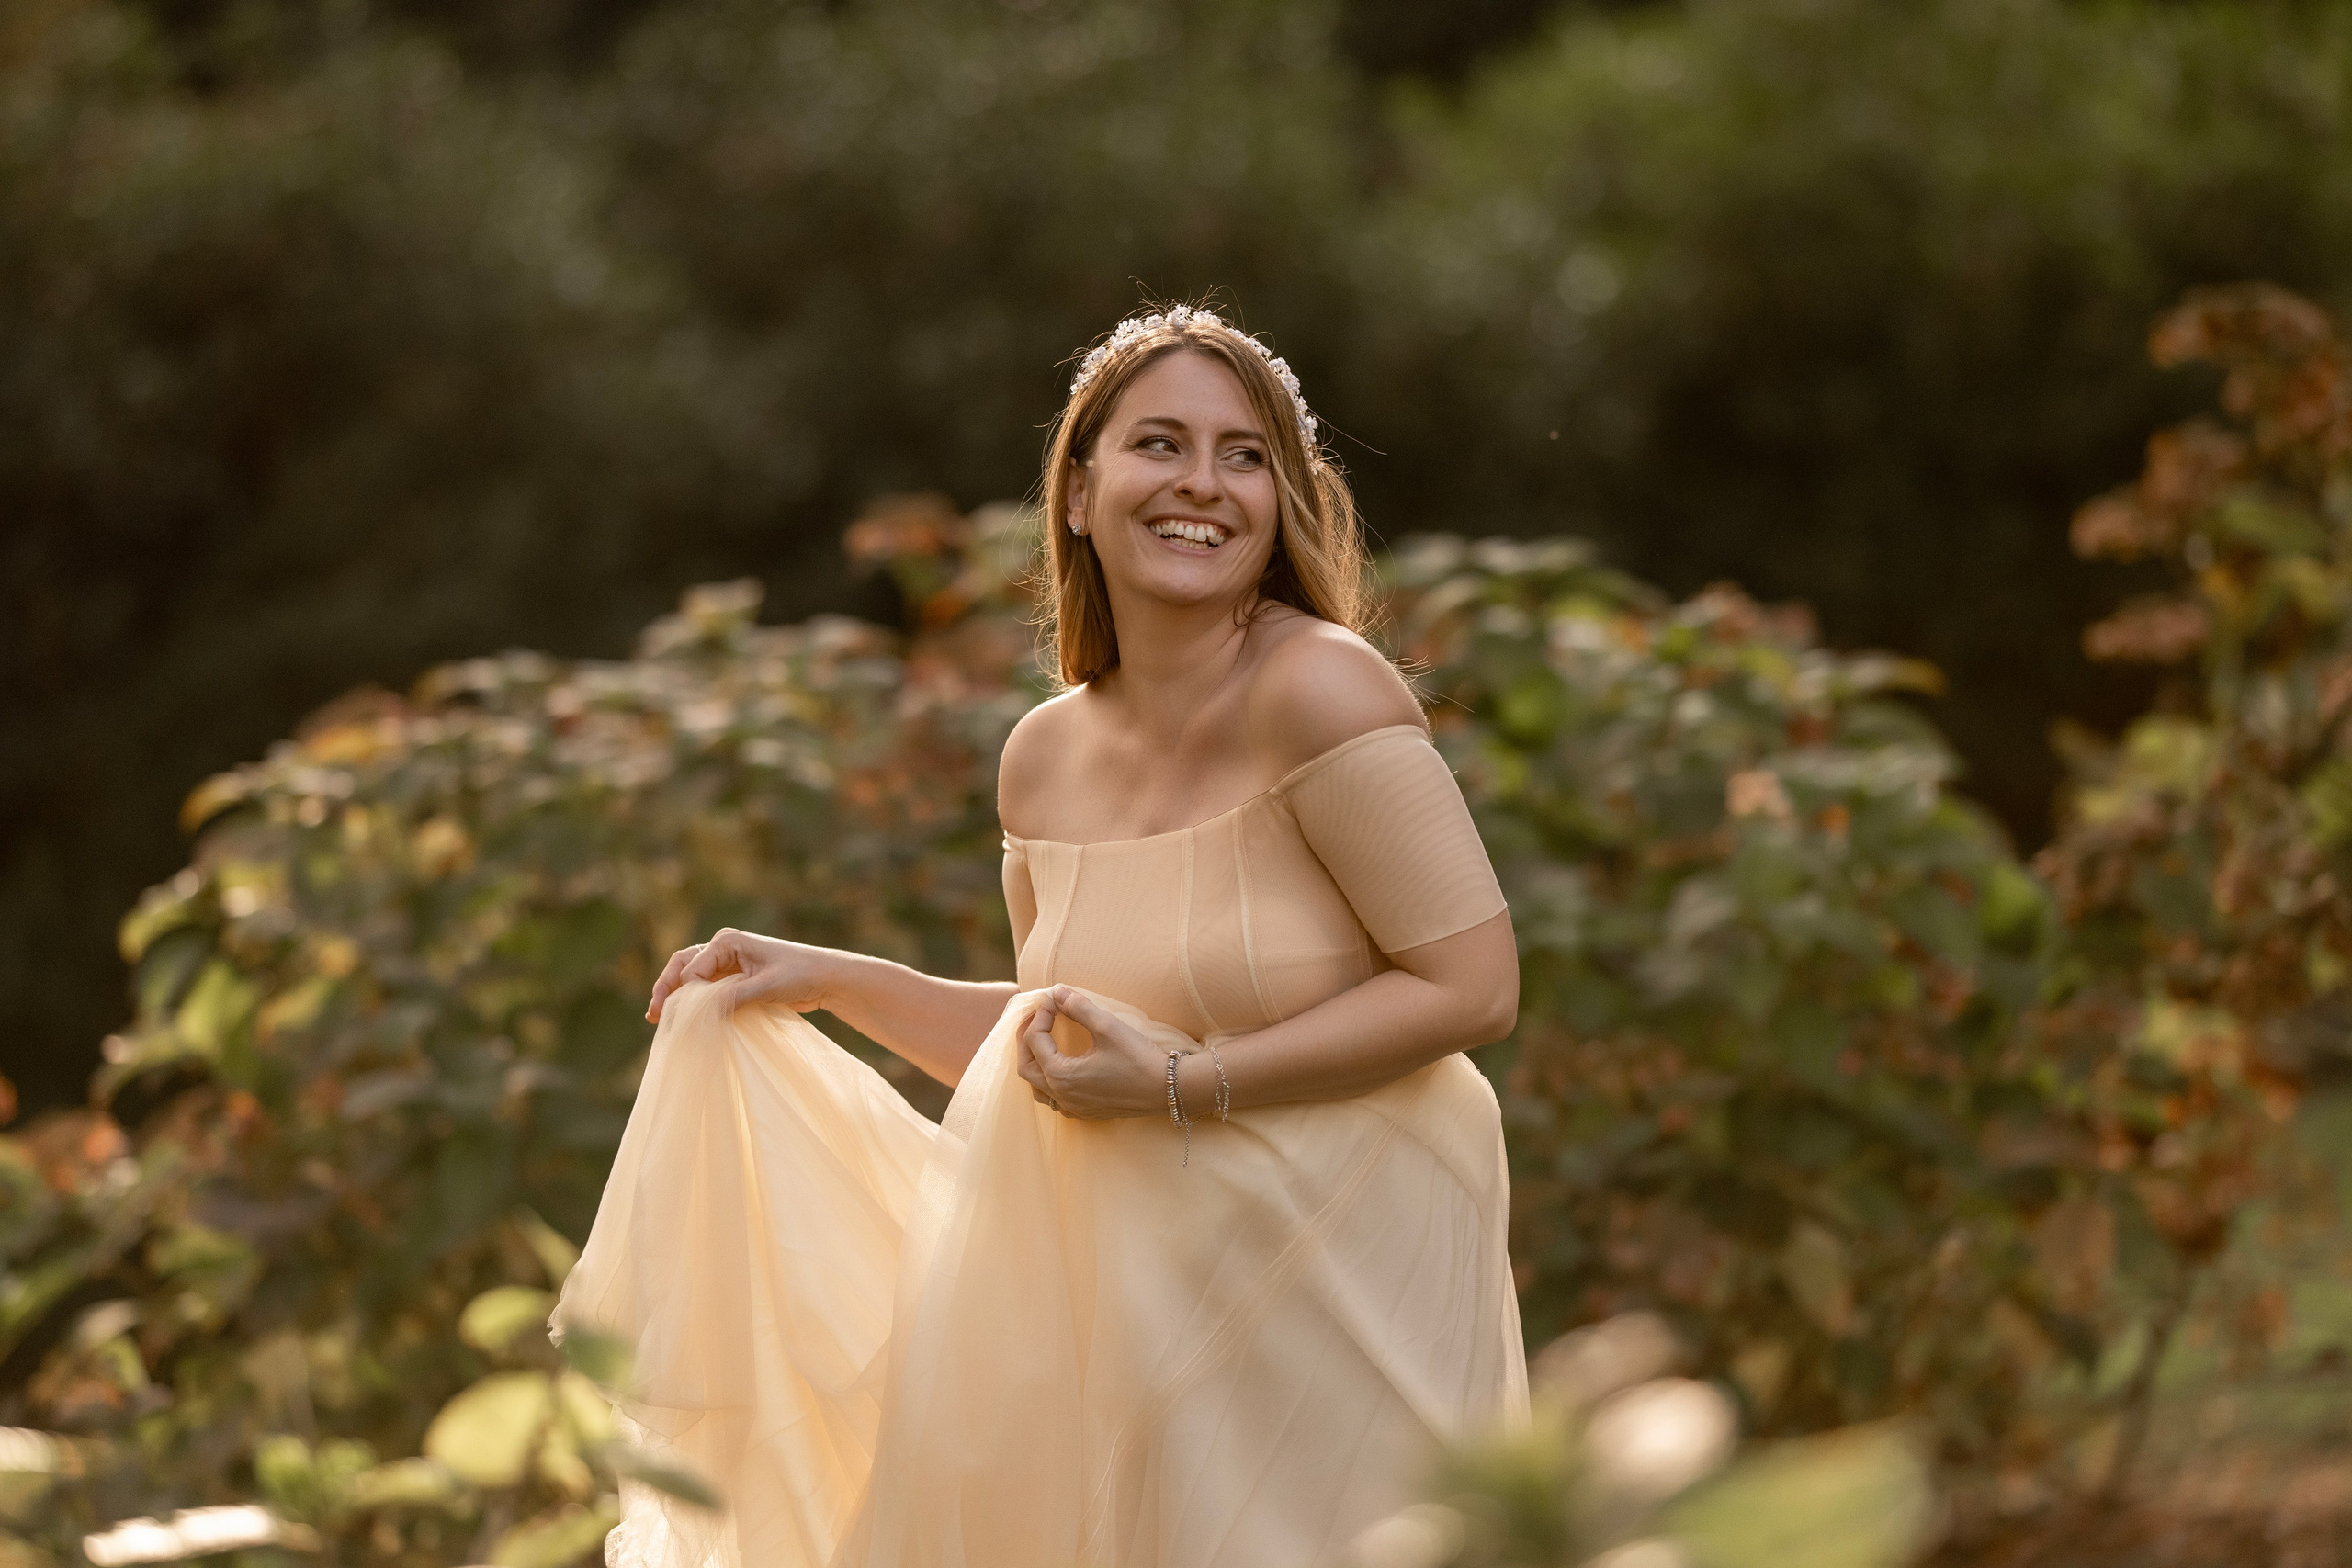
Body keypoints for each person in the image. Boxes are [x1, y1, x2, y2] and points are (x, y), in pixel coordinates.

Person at [555, 304, 1529, 1568]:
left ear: (1283, 501)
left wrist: (1191, 1084)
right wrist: (825, 982)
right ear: (1079, 491)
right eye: (1160, 444)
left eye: (1245, 456)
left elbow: (1472, 984)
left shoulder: (1322, 687)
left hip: (1344, 1288)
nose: (1202, 484)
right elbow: (1064, 1057)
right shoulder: (1044, 756)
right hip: (1146, 1319)